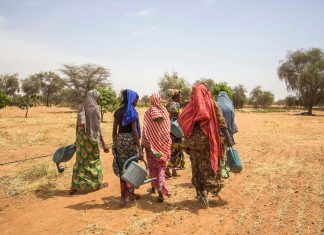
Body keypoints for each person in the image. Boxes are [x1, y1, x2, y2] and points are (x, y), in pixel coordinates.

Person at [178, 83, 232, 207]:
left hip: (193, 143)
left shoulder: (190, 106)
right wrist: (228, 139)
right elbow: (222, 123)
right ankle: (205, 193)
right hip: (209, 141)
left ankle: (199, 192)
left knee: (196, 167)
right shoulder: (212, 104)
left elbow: (183, 122)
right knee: (207, 168)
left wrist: (186, 142)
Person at [70, 89, 109, 195]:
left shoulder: (81, 107)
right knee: (94, 160)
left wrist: (76, 140)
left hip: (81, 138)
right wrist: (103, 143)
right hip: (91, 139)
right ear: (95, 97)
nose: (99, 99)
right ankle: (97, 183)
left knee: (80, 161)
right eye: (98, 97)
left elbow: (78, 125)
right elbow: (97, 129)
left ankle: (75, 185)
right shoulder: (95, 109)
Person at [112, 89, 143, 206]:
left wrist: (114, 144)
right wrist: (139, 148)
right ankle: (129, 195)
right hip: (130, 140)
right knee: (132, 168)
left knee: (122, 168)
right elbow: (135, 131)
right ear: (131, 99)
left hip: (119, 140)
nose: (136, 102)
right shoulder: (132, 112)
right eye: (136, 100)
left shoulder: (118, 112)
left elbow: (114, 131)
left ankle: (123, 196)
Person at [142, 93, 172, 202]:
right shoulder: (165, 111)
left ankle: (158, 189)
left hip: (151, 148)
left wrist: (144, 144)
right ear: (159, 100)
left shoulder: (148, 113)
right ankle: (160, 188)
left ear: (151, 101)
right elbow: (167, 129)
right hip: (164, 146)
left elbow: (145, 131)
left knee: (153, 168)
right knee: (161, 168)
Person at [217, 91, 238, 179]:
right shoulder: (230, 106)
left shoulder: (216, 105)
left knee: (217, 153)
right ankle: (223, 170)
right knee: (224, 152)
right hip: (226, 134)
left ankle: (218, 170)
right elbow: (232, 122)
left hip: (216, 134)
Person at [165, 89, 185, 177]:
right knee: (176, 150)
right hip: (175, 132)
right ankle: (167, 169)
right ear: (176, 97)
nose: (181, 97)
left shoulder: (168, 104)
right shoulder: (175, 105)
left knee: (173, 150)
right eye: (180, 96)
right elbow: (173, 117)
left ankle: (172, 170)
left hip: (170, 131)